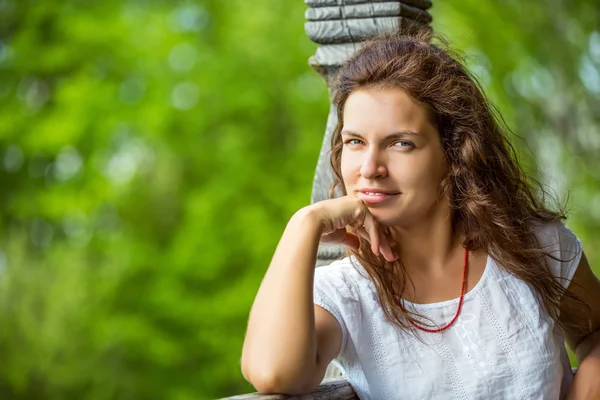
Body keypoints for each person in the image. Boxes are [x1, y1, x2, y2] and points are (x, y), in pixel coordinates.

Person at [240, 29, 600, 400]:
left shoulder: (534, 246)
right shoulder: (346, 292)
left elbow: (595, 334)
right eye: (355, 142)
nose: (370, 167)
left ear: (455, 155)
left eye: (400, 143)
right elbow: (274, 374)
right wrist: (305, 224)